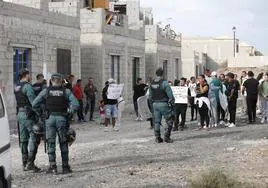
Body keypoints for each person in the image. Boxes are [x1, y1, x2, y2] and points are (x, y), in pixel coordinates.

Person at [32, 73, 79, 174]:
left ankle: (53, 167)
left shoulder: (46, 91)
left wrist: (41, 114)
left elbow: (34, 104)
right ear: (61, 81)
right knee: (63, 142)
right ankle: (65, 167)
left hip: (49, 119)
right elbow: (76, 104)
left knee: (51, 142)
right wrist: (69, 114)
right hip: (62, 118)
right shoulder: (66, 91)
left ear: (51, 81)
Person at [14, 69, 40, 172]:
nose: (30, 76)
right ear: (26, 75)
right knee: (34, 138)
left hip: (20, 114)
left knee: (23, 139)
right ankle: (30, 163)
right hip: (28, 115)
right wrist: (40, 114)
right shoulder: (27, 86)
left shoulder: (16, 87)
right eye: (29, 74)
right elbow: (34, 103)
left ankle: (24, 163)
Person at [149, 68, 174, 143]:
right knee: (169, 119)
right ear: (163, 74)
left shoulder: (152, 83)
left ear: (156, 74)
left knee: (157, 122)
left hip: (155, 104)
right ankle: (167, 136)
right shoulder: (164, 83)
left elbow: (150, 96)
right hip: (163, 103)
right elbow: (170, 96)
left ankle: (157, 137)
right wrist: (172, 104)